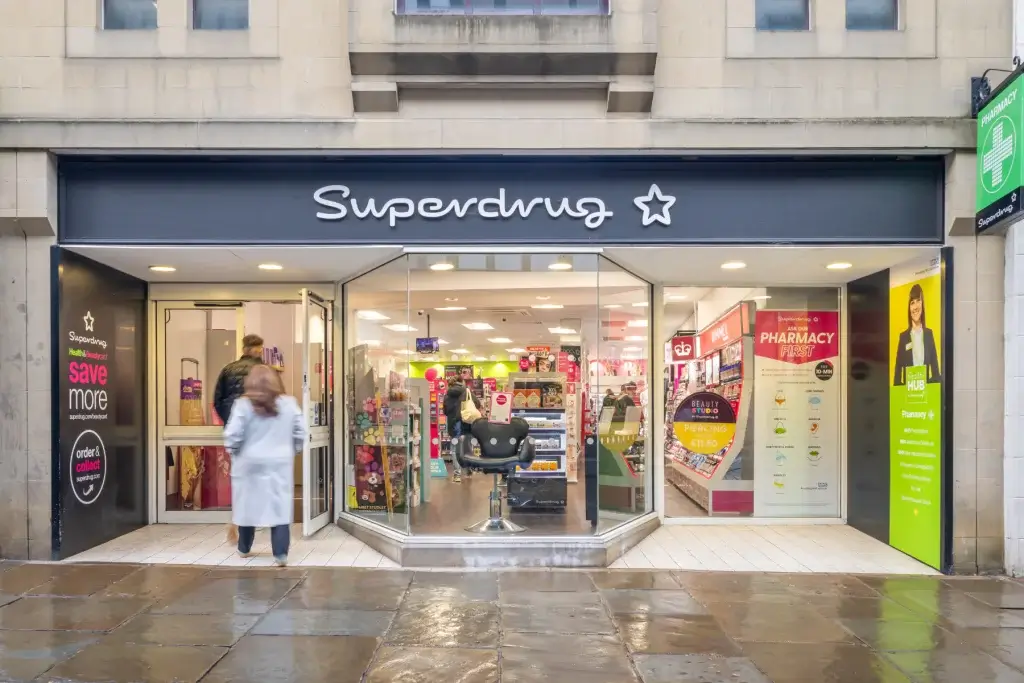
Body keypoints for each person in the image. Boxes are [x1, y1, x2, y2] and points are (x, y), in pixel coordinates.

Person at [223, 365, 306, 566]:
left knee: (247, 506)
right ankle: (280, 555)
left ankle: (244, 548)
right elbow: (300, 432)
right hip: (279, 464)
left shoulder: (242, 405)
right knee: (279, 508)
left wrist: (235, 452)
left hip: (248, 464)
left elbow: (232, 436)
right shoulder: (289, 403)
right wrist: (291, 450)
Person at [893, 283, 941, 386]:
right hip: (908, 396)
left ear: (923, 304)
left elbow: (936, 372)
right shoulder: (903, 337)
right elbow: (897, 374)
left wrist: (929, 387)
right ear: (909, 308)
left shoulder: (929, 334)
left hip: (925, 397)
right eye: (912, 303)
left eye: (918, 301)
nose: (915, 306)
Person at [213, 334, 265, 425]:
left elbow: (218, 401)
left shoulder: (228, 369)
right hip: (259, 427)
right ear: (260, 351)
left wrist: (229, 420)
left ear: (243, 350)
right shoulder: (266, 371)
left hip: (233, 424)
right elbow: (274, 401)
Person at [443, 381, 482, 483]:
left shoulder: (447, 396)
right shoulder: (468, 392)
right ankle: (468, 470)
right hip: (468, 425)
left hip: (454, 425)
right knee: (467, 448)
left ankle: (457, 474)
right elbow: (478, 404)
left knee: (455, 449)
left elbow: (445, 411)